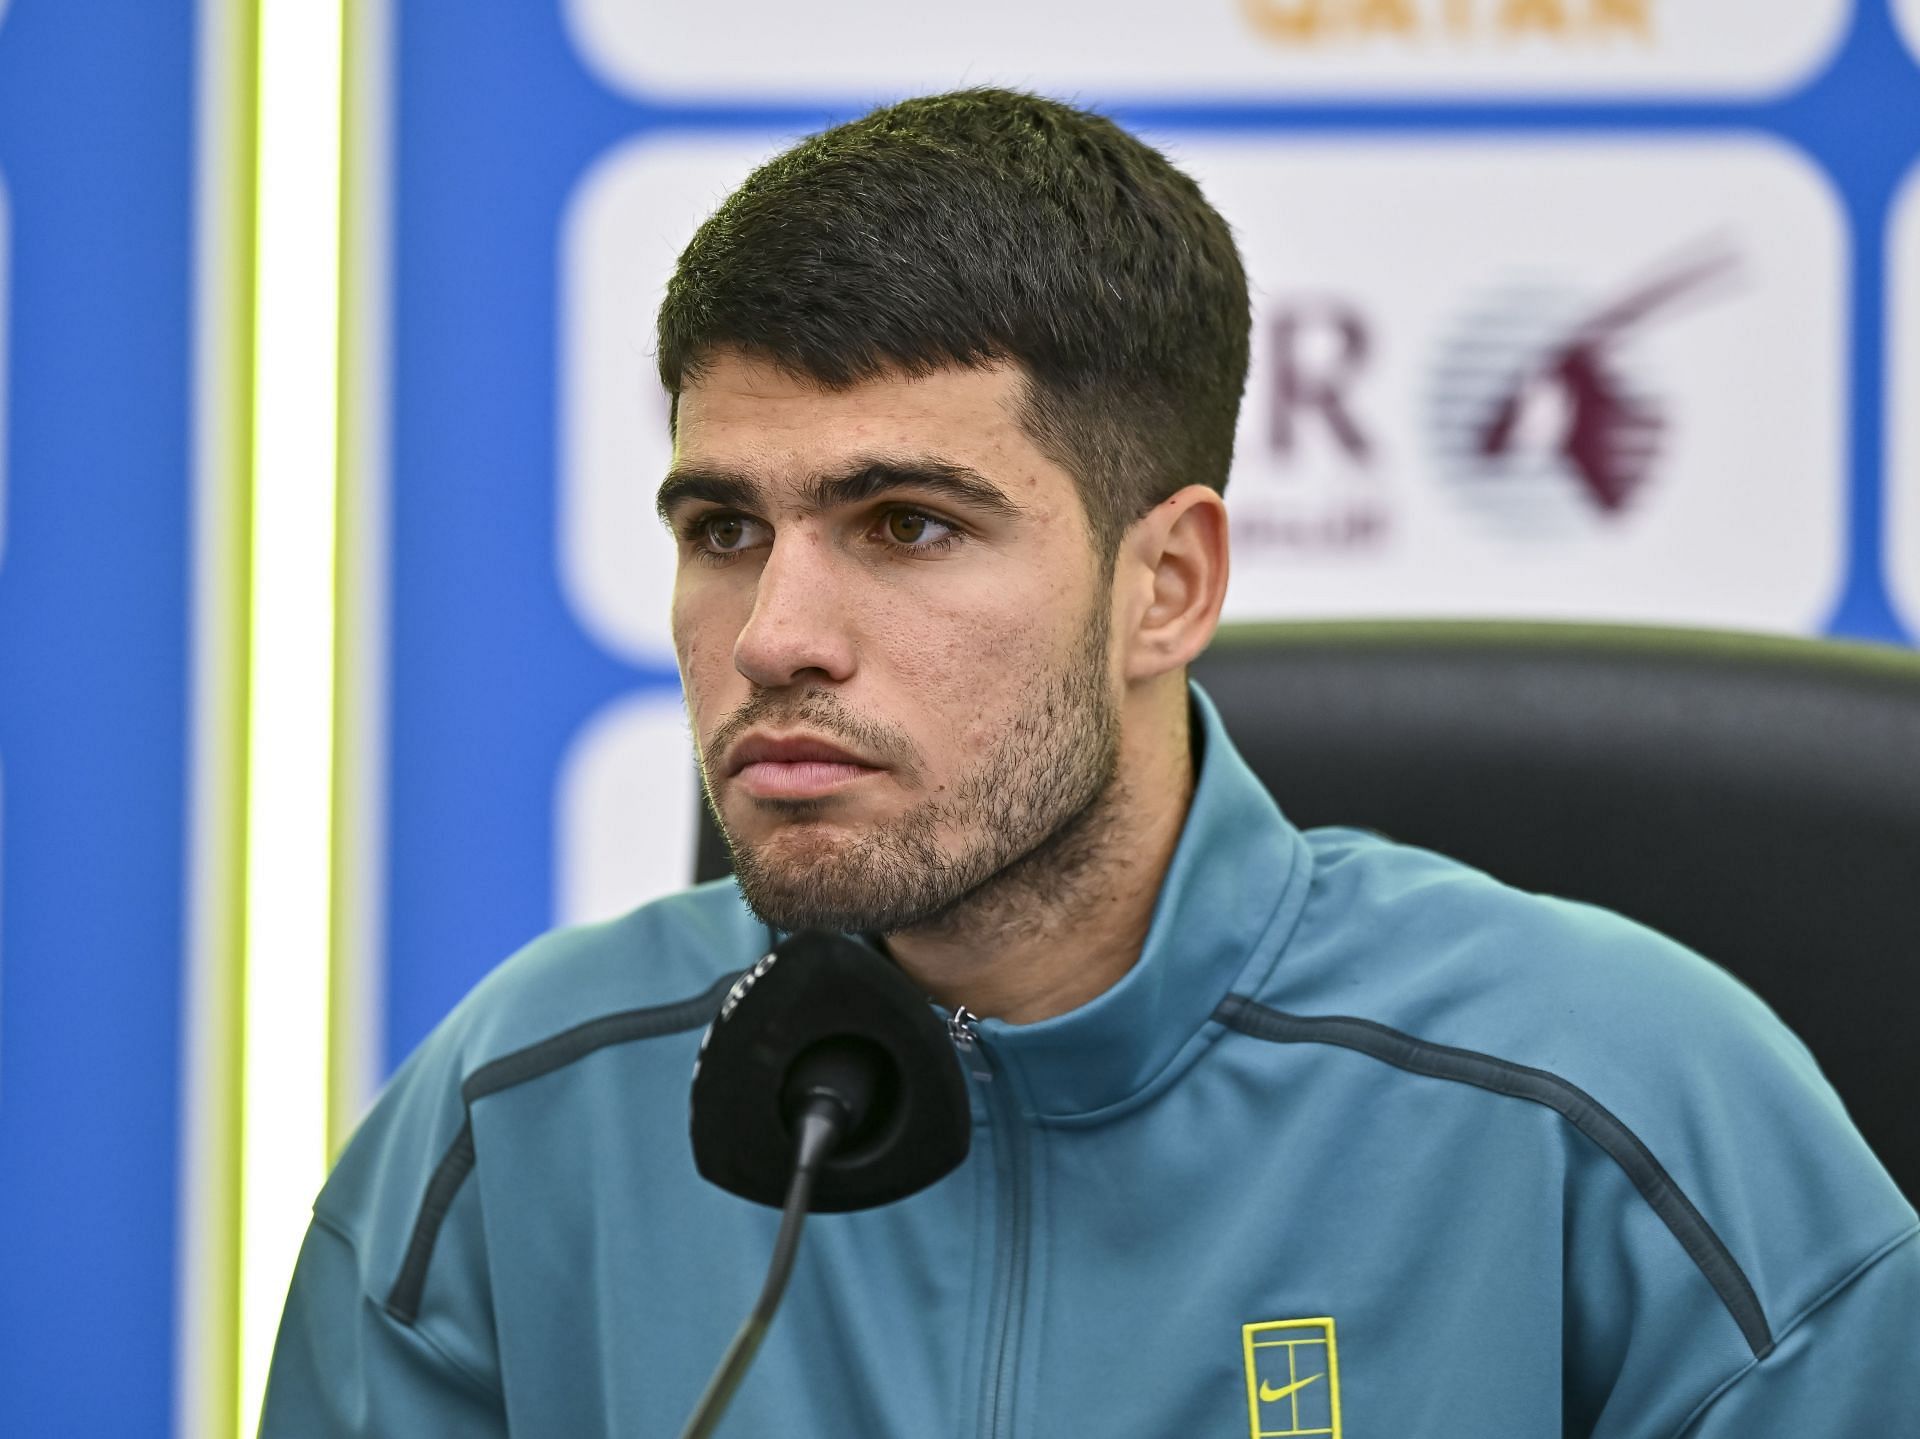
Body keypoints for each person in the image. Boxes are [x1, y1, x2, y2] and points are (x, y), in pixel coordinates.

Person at [261, 90, 1919, 1437]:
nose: (773, 634)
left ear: (1168, 585)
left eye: (905, 525)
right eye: (722, 528)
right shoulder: (517, 1115)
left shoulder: (1618, 1104)